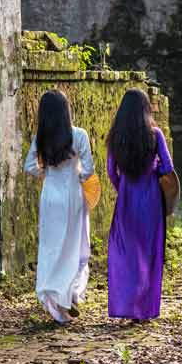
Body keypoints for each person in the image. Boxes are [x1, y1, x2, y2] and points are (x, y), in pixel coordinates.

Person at [24, 90, 95, 324]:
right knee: (74, 244)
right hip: (73, 194)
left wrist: (46, 172)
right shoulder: (79, 135)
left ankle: (54, 297)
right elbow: (88, 169)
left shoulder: (41, 137)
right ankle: (70, 292)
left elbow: (29, 166)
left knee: (51, 246)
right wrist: (78, 176)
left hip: (50, 194)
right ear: (66, 110)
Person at [105, 88, 174, 321]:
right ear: (146, 109)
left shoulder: (115, 136)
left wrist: (122, 188)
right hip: (151, 199)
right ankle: (144, 309)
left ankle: (126, 304)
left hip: (126, 199)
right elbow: (167, 168)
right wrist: (152, 170)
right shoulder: (155, 135)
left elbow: (110, 172)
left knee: (126, 252)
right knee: (149, 251)